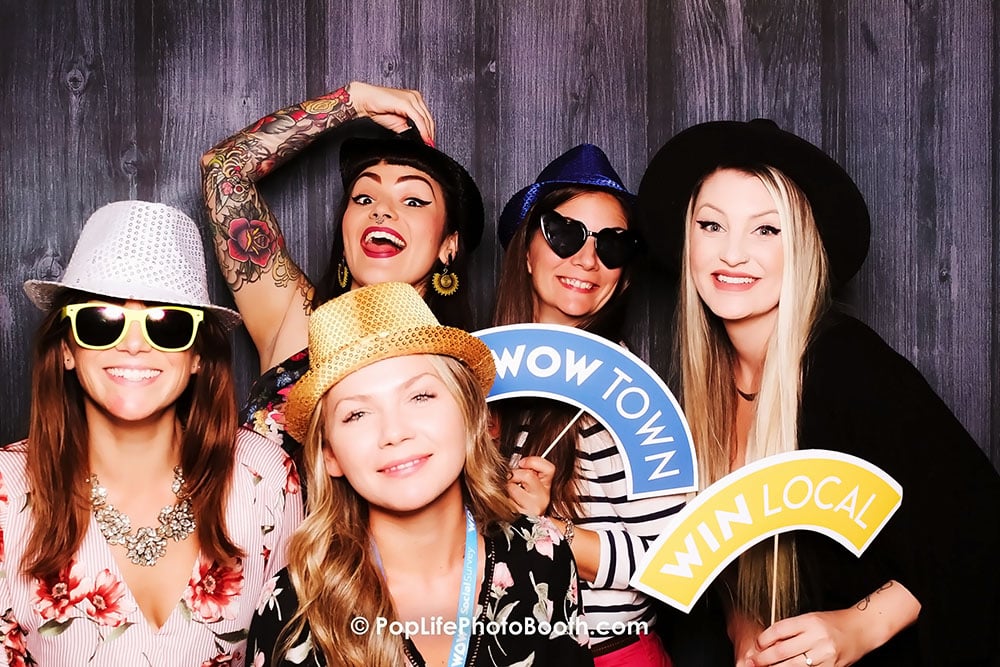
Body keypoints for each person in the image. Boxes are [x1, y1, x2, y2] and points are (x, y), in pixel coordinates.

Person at [636, 119, 1000, 666]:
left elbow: (979, 524)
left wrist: (860, 626)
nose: (732, 254)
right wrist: (745, 633)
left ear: (802, 245)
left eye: (766, 230)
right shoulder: (698, 385)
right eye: (711, 225)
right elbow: (725, 557)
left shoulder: (845, 363)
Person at [0, 201, 303, 666]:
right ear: (66, 349)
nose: (135, 343)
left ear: (198, 356)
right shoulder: (5, 490)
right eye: (102, 321)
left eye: (169, 324)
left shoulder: (265, 478)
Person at [245, 281, 592, 666]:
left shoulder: (542, 553)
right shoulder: (291, 605)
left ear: (469, 414)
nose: (394, 433)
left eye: (420, 396)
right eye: (357, 414)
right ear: (330, 455)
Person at [200, 82, 484, 457]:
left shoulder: (460, 370)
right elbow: (223, 171)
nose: (380, 210)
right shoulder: (296, 317)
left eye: (413, 200)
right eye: (364, 197)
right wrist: (352, 101)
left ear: (449, 246)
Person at [491, 144, 684, 665]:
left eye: (613, 245)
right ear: (527, 248)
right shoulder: (468, 374)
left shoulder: (629, 399)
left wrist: (546, 530)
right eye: (564, 233)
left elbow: (673, 560)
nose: (588, 259)